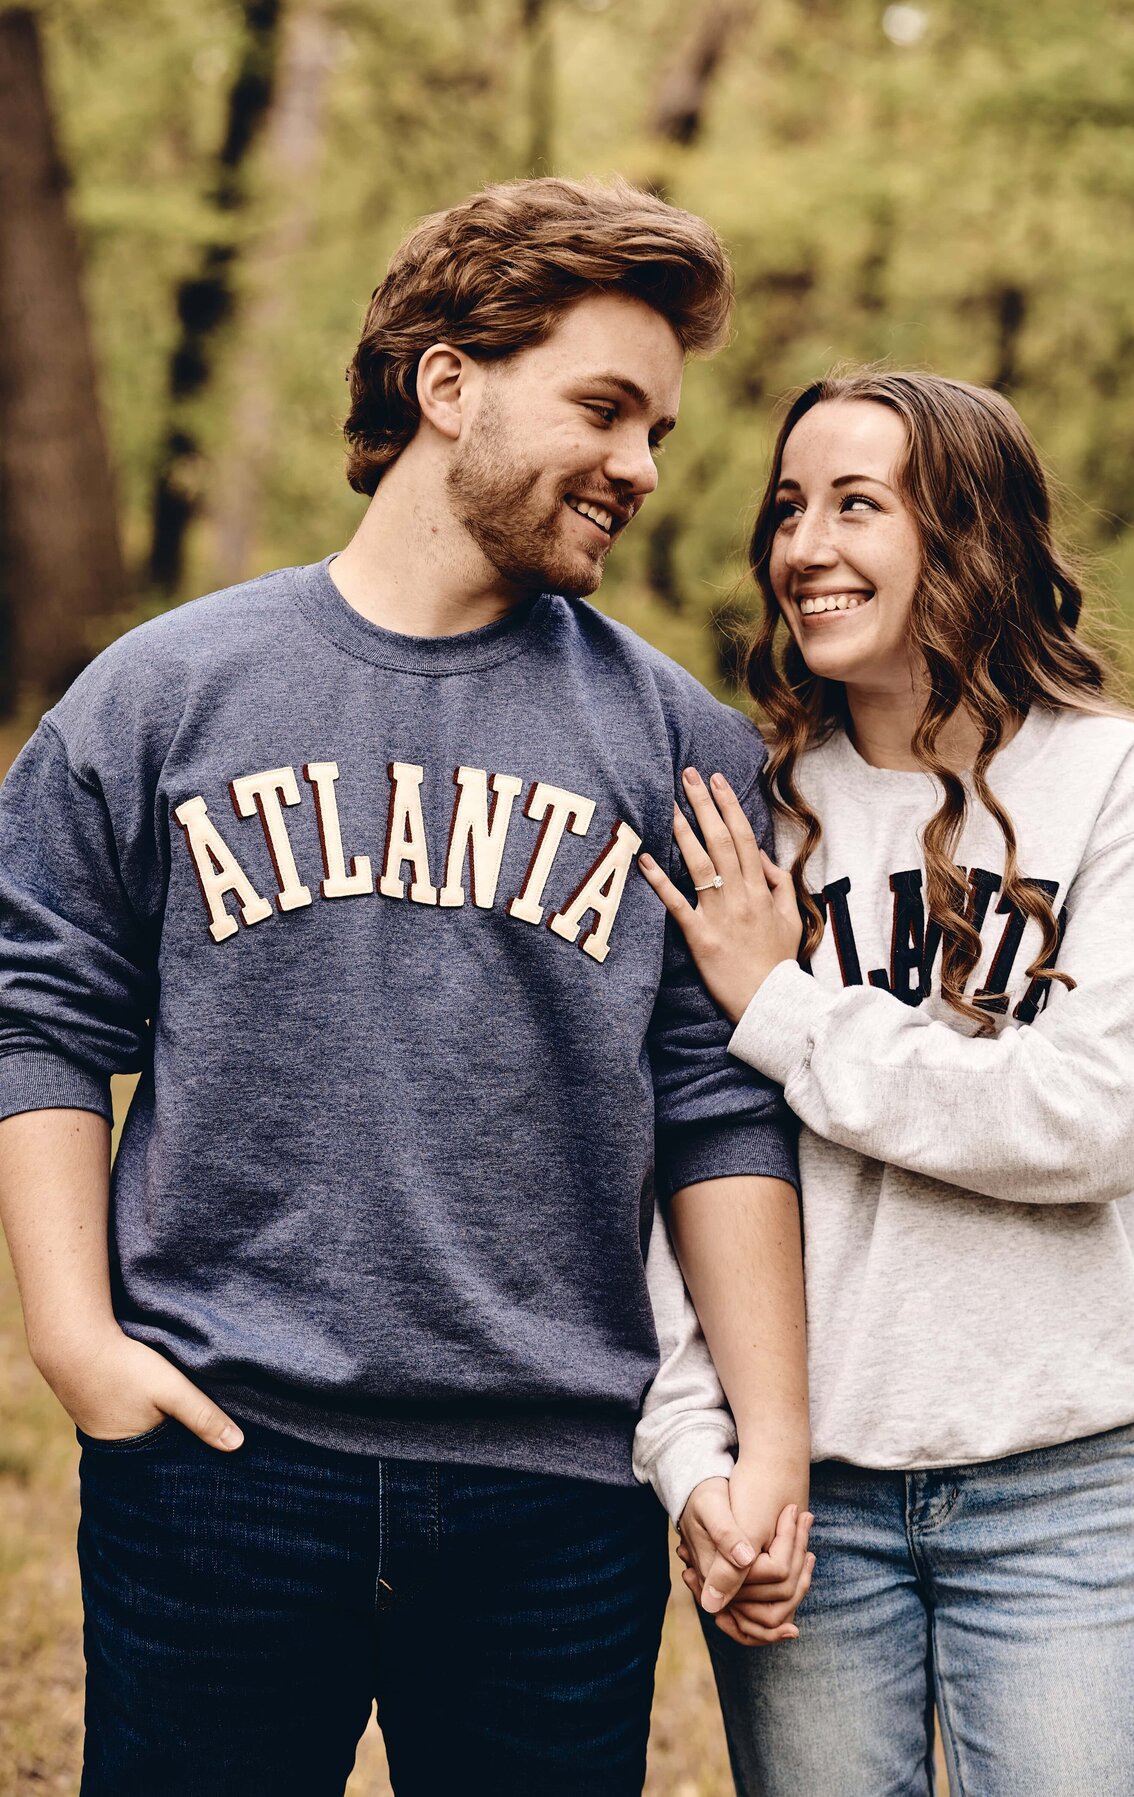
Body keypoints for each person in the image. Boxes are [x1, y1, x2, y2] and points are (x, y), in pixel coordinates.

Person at [0, 176, 811, 1797]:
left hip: (554, 1495)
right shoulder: (163, 697)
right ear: (451, 385)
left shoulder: (677, 747)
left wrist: (769, 1438)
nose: (643, 467)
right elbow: (43, 1018)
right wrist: (78, 1340)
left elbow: (721, 1102)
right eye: (604, 407)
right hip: (219, 1467)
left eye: (657, 425)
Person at [635, 369, 1134, 1797]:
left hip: (1054, 1484)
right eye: (787, 508)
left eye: (856, 504)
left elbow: (1084, 1118)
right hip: (804, 1488)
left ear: (971, 534)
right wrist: (696, 1452)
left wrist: (786, 1008)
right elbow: (689, 1161)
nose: (804, 546)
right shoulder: (747, 815)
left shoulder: (1119, 787)